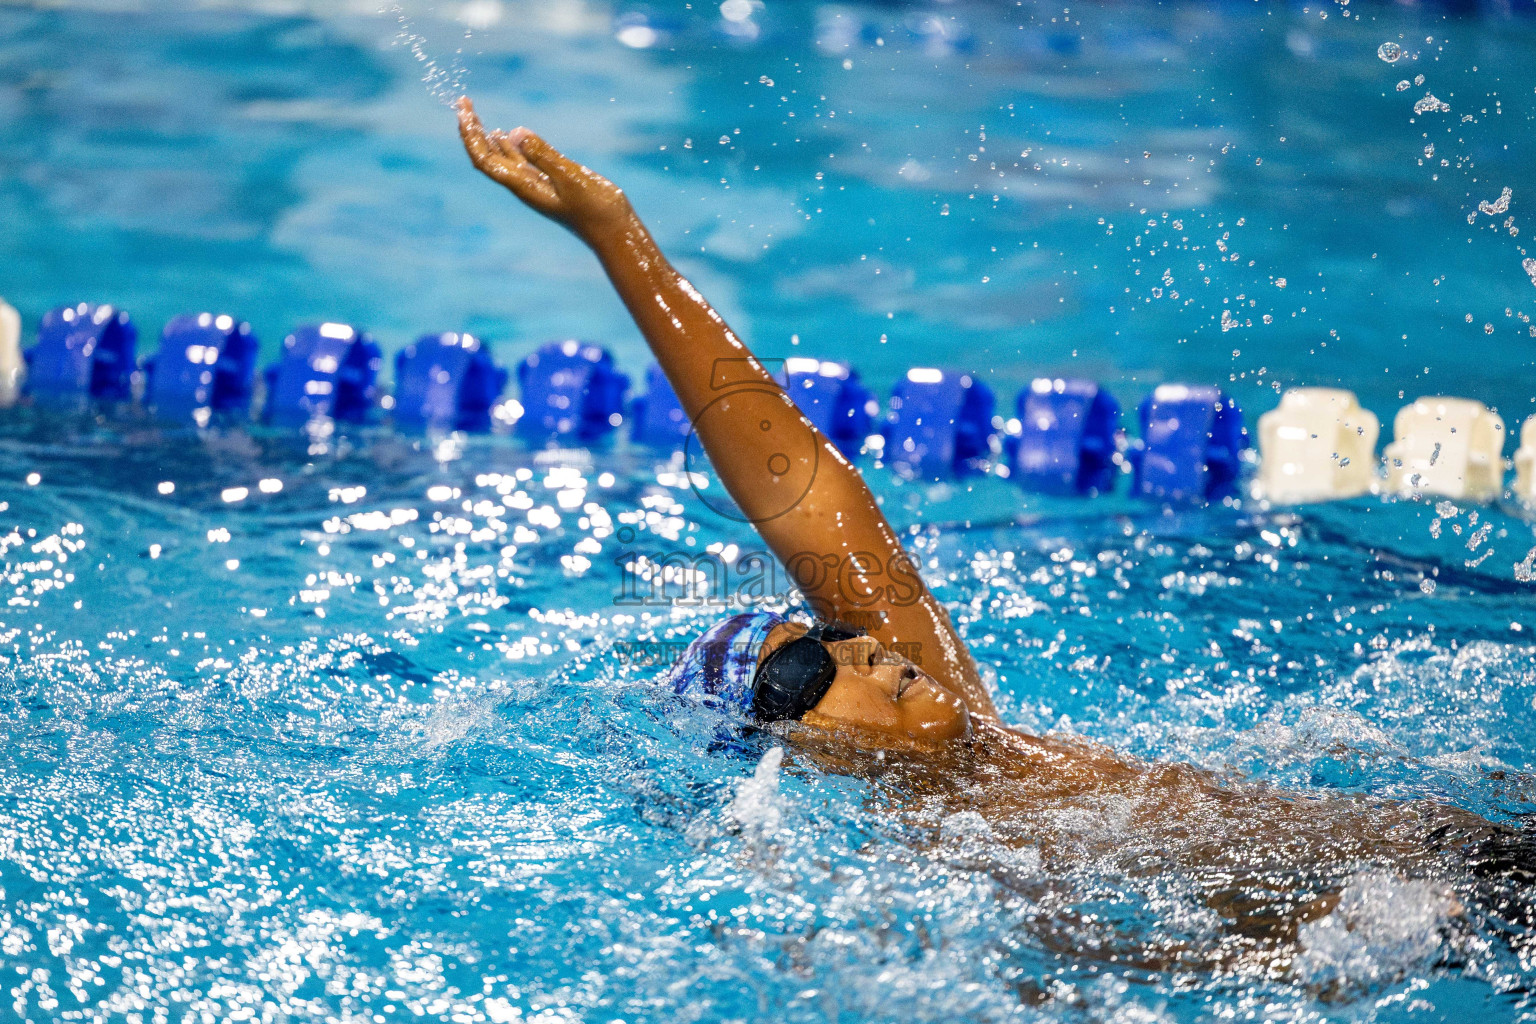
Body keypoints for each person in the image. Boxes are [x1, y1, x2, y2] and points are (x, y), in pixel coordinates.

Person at [454, 98, 1534, 973]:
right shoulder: (942, 864)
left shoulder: (962, 726)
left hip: (1461, 849)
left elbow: (803, 493)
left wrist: (617, 234)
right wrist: (1395, 937)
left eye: (829, 631)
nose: (859, 647)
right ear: (786, 754)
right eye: (802, 675)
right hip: (1458, 913)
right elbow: (1149, 965)